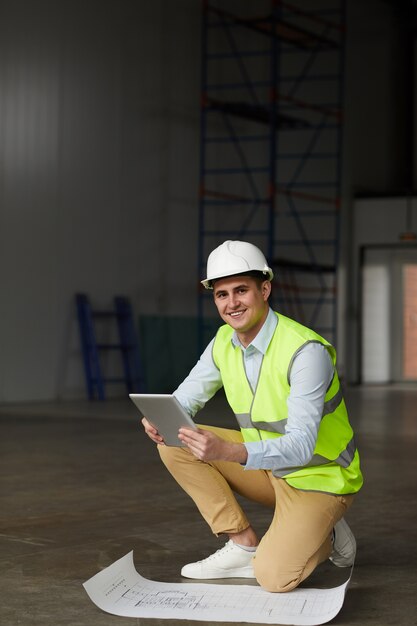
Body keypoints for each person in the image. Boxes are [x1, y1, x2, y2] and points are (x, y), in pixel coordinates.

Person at [141, 240, 363, 593]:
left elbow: (303, 446)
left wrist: (228, 452)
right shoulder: (223, 342)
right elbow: (186, 399)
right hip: (270, 469)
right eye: (222, 294)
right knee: (176, 440)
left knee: (274, 578)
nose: (232, 304)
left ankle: (326, 526)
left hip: (320, 477)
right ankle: (244, 543)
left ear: (265, 289)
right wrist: (160, 419)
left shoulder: (306, 352)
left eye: (241, 290)